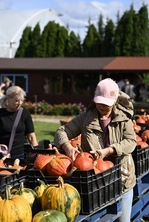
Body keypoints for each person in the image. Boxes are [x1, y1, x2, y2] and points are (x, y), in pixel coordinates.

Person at [54, 78, 137, 222]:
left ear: (115, 101)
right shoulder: (85, 118)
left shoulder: (124, 119)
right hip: (95, 184)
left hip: (122, 177)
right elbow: (61, 132)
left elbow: (131, 142)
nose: (103, 107)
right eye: (100, 103)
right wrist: (67, 147)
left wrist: (110, 150)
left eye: (107, 104)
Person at [0, 86, 38, 159]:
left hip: (21, 154)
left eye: (21, 100)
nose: (20, 103)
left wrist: (36, 152)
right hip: (1, 154)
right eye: (16, 100)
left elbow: (31, 136)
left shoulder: (25, 113)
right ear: (8, 98)